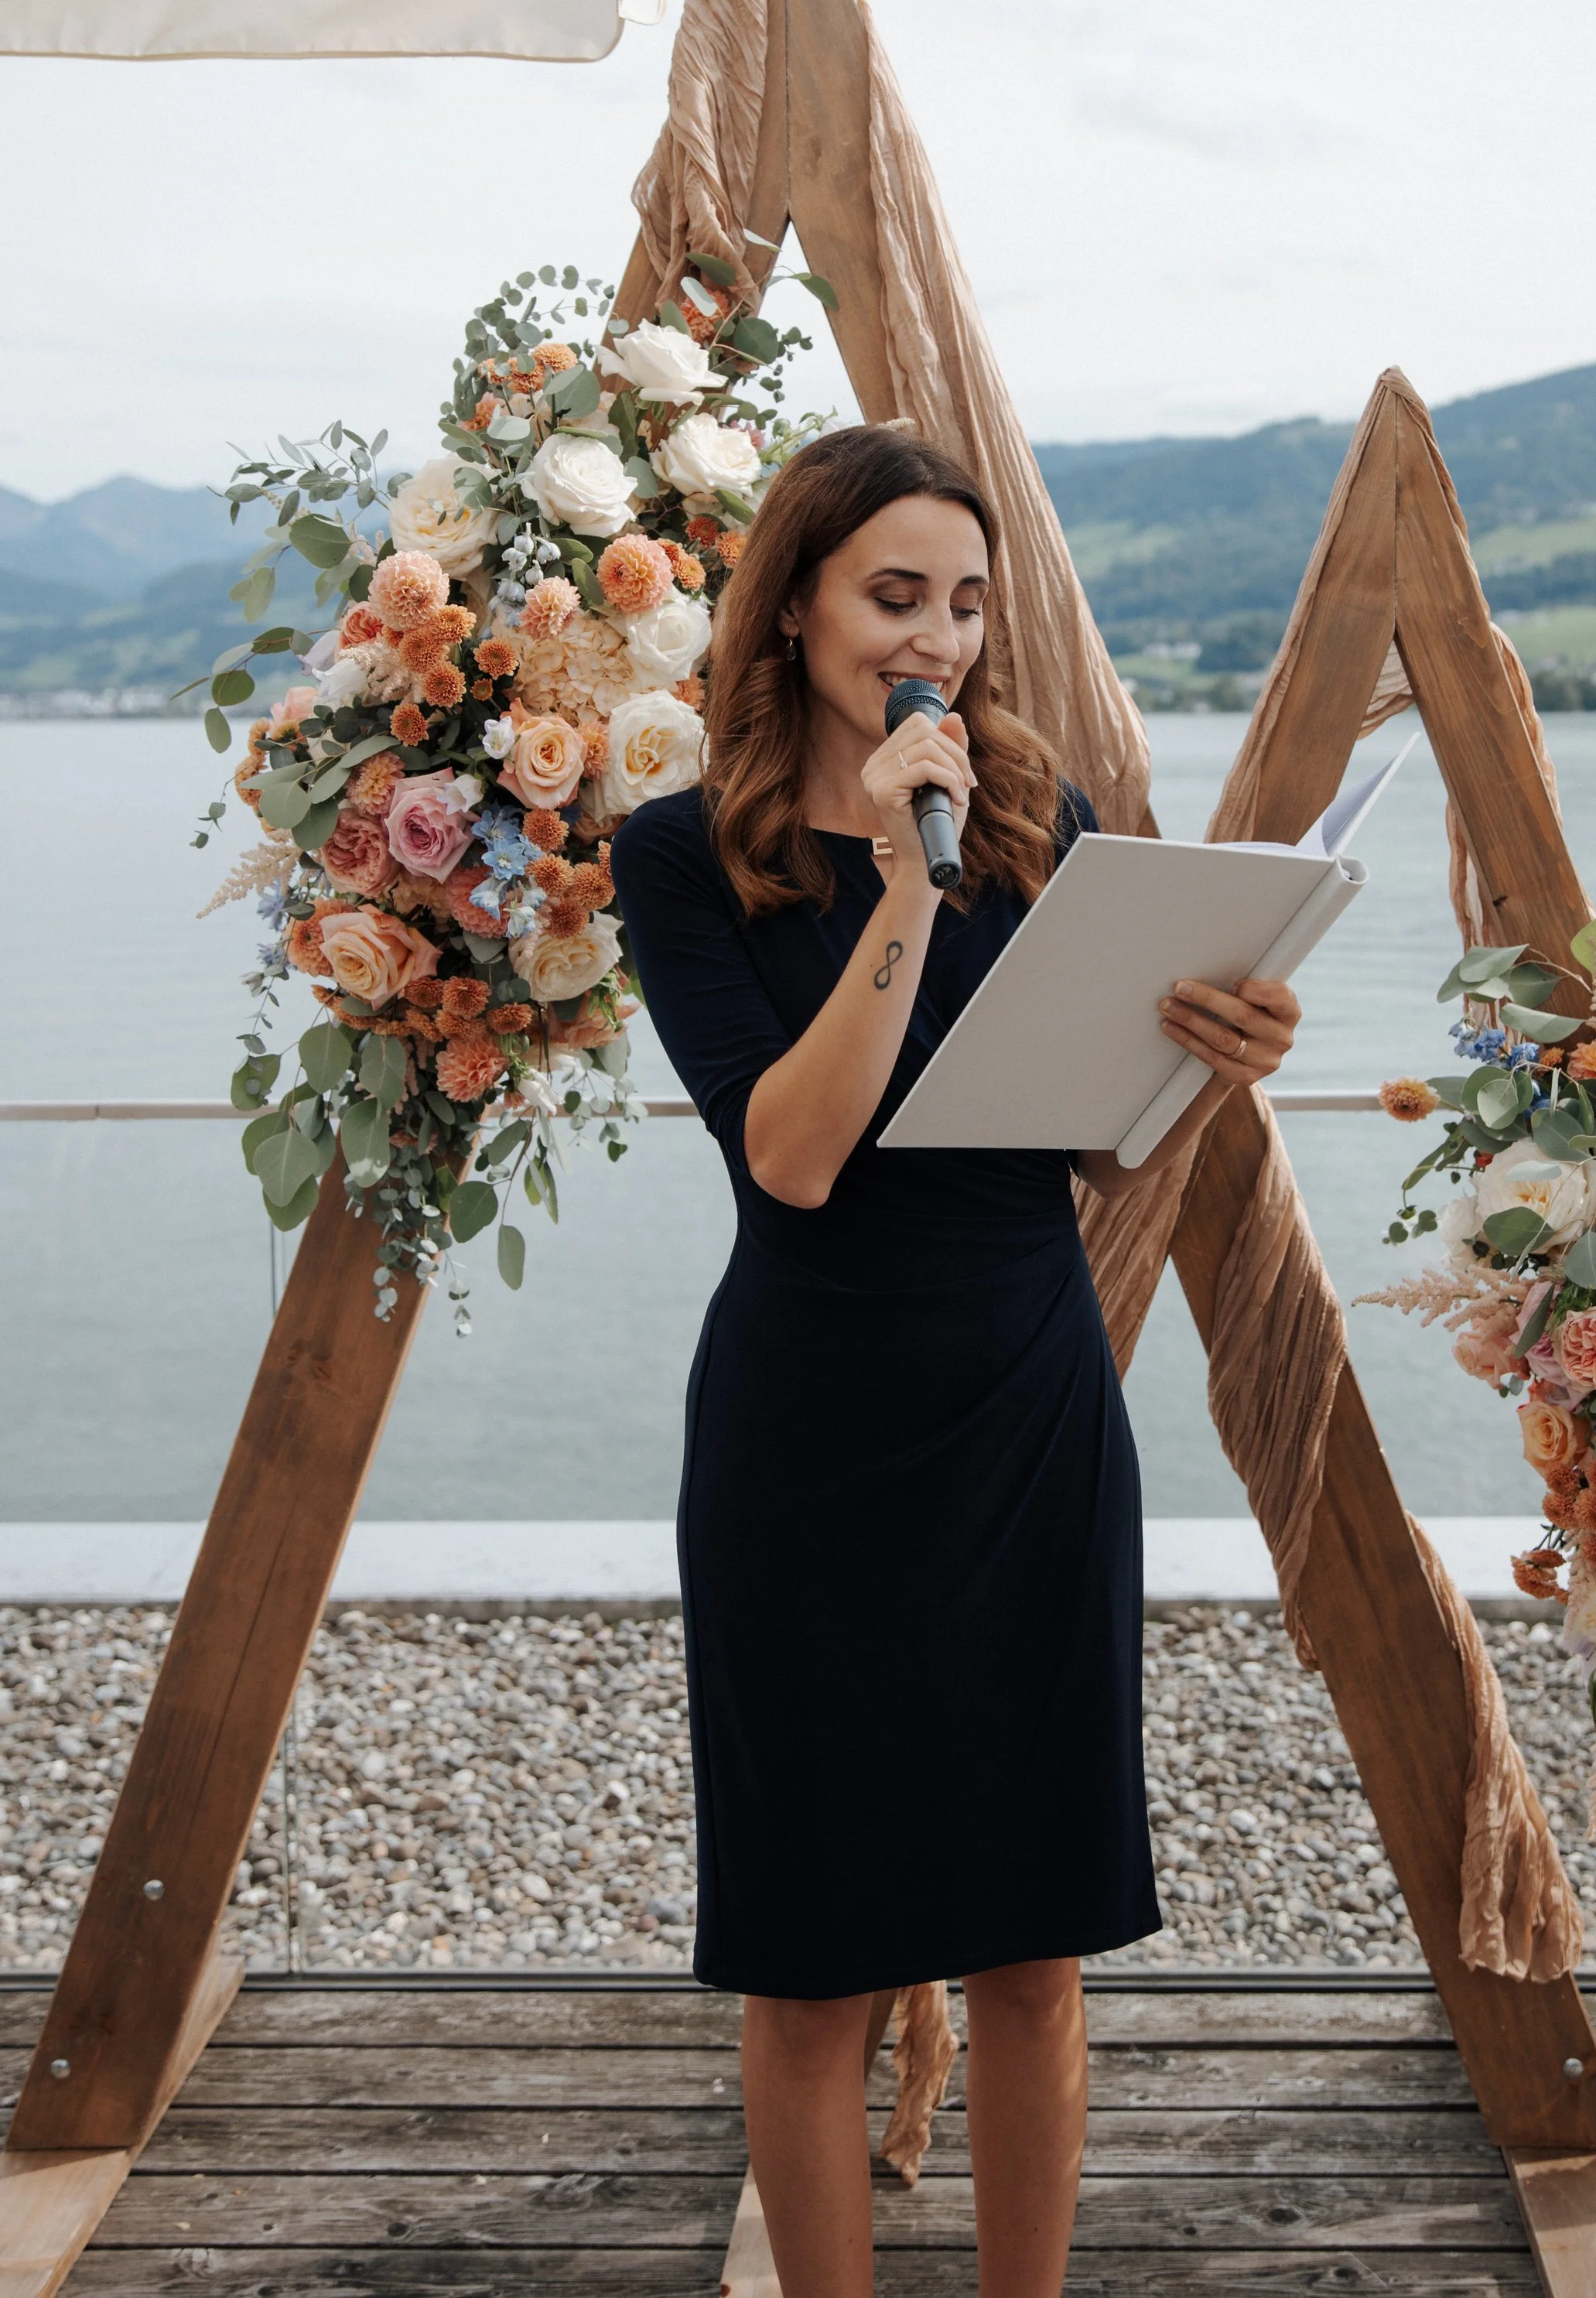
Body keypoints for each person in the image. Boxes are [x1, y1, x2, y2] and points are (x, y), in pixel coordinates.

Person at [610, 425, 1300, 2298]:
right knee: (816, 1954)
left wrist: (1198, 1057)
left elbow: (1073, 1139)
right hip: (810, 1429)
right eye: (893, 596)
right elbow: (797, 1154)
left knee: (1032, 1945)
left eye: (966, 604)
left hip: (1025, 1397)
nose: (936, 640)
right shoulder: (682, 860)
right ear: (800, 612)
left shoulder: (1038, 829)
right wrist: (902, 898)